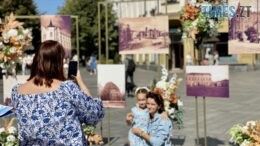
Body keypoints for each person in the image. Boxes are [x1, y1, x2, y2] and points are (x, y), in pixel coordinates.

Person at [11, 40, 104, 145]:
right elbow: (93, 114)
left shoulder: (17, 92)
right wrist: (80, 82)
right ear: (58, 62)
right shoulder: (66, 89)